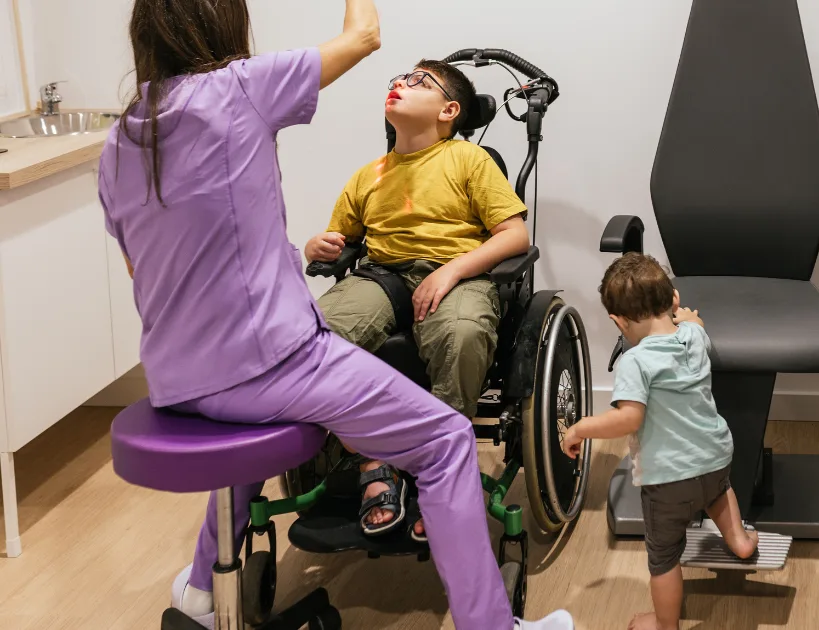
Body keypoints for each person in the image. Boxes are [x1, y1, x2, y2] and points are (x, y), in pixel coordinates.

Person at [98, 1, 571, 628]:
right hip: (274, 360)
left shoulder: (121, 137)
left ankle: (201, 593)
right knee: (447, 439)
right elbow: (364, 34)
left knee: (251, 430)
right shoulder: (242, 89)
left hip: (176, 379)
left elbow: (146, 269)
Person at [303, 58, 529, 539]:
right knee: (317, 336)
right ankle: (371, 457)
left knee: (463, 332)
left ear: (450, 111)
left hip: (458, 274)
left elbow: (514, 235)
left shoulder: (469, 160)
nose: (400, 84)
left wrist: (449, 273)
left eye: (417, 81)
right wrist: (316, 245)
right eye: (397, 79)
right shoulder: (369, 174)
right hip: (382, 274)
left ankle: (437, 466)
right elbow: (339, 240)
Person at [561, 253, 758, 630]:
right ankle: (740, 541)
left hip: (669, 479)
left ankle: (665, 625)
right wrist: (689, 318)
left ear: (618, 321)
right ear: (674, 300)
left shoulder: (634, 362)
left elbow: (628, 418)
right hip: (716, 457)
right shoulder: (694, 336)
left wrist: (582, 427)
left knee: (664, 559)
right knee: (719, 493)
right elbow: (694, 322)